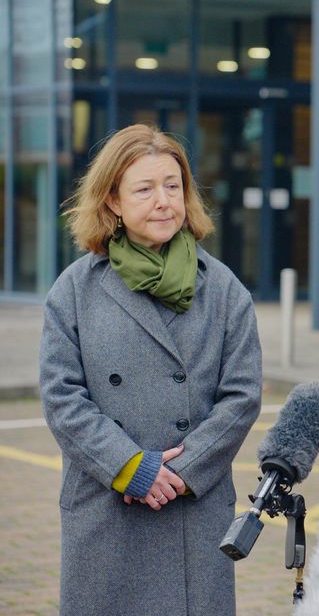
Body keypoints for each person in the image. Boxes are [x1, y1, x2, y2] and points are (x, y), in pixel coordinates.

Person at [39, 124, 262, 616]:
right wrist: (129, 466)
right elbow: (61, 397)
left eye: (173, 185)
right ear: (113, 201)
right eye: (144, 189)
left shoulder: (223, 289)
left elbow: (242, 396)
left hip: (191, 505)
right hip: (106, 501)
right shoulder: (75, 290)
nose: (163, 201)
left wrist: (180, 472)